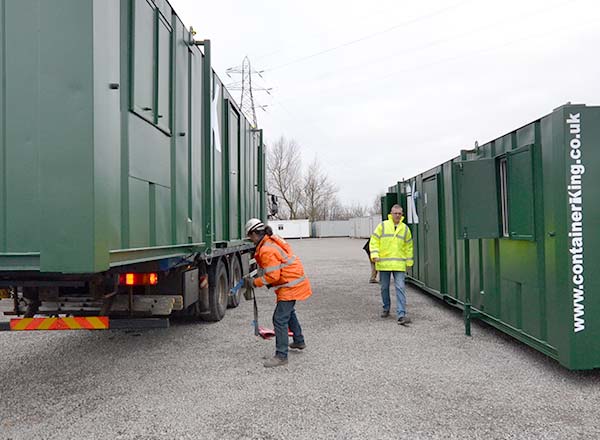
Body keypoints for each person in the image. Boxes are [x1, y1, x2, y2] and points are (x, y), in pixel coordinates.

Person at [244, 218, 312, 367]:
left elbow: (273, 276)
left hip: (290, 285)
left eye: (250, 236)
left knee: (279, 319)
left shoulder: (267, 249)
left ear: (255, 233)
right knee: (289, 313)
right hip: (293, 282)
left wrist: (254, 282)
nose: (250, 240)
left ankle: (281, 356)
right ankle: (299, 341)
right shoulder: (271, 241)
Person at [369, 204, 414, 325]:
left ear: (402, 214)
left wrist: (409, 261)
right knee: (384, 287)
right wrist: (374, 255)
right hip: (384, 263)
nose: (398, 215)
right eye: (395, 213)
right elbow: (374, 241)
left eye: (400, 213)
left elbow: (408, 246)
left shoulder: (405, 229)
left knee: (400, 287)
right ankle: (386, 308)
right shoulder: (383, 226)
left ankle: (401, 314)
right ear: (391, 213)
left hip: (399, 264)